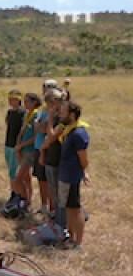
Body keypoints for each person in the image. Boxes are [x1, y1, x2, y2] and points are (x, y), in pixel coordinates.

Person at [58, 101, 90, 249]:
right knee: (69, 208)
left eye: (63, 112)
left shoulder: (78, 133)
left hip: (72, 177)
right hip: (65, 175)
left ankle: (79, 243)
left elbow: (83, 159)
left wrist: (83, 172)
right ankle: (70, 237)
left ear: (71, 114)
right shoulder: (68, 130)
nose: (60, 114)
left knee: (76, 209)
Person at [40, 89, 66, 227]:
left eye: (50, 102)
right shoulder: (56, 116)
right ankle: (56, 219)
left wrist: (50, 118)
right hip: (50, 157)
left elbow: (50, 135)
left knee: (59, 193)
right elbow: (42, 131)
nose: (48, 106)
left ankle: (61, 224)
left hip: (58, 159)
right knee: (52, 190)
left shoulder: (62, 118)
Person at [14, 93, 41, 211]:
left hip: (30, 150)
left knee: (18, 178)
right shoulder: (27, 114)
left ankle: (24, 200)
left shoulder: (36, 115)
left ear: (34, 102)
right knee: (25, 177)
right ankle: (29, 200)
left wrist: (22, 145)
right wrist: (18, 145)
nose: (25, 104)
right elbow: (22, 131)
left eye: (27, 101)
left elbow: (36, 136)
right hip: (22, 149)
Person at [34, 90, 53, 215]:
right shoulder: (42, 111)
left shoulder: (55, 113)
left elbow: (44, 129)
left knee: (51, 180)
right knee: (41, 179)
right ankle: (44, 205)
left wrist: (41, 126)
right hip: (38, 146)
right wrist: (40, 126)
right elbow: (37, 129)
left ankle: (53, 208)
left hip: (49, 149)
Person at [4, 89, 25, 203]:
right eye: (9, 99)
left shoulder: (23, 113)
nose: (11, 101)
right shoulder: (10, 112)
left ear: (19, 100)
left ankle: (18, 195)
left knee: (15, 172)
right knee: (11, 171)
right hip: (8, 144)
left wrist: (20, 145)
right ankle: (14, 193)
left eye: (13, 99)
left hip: (16, 146)